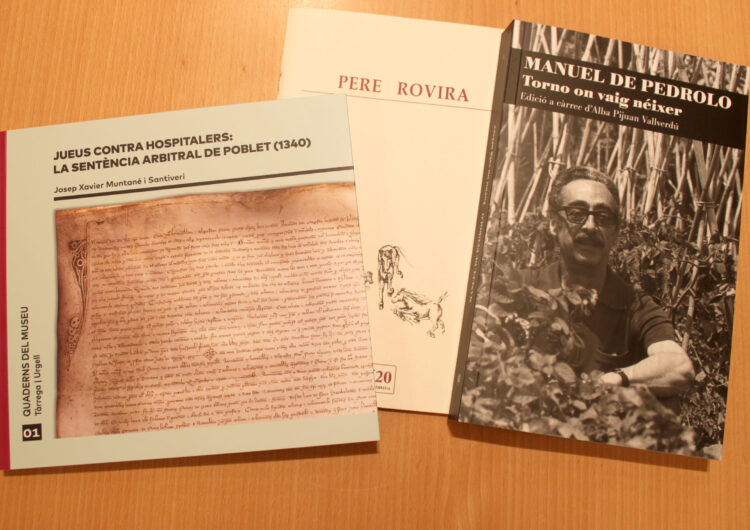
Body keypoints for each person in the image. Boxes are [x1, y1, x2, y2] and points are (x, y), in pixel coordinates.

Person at [518, 166, 694, 396]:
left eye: (603, 217)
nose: (591, 226)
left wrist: (614, 380)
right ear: (554, 223)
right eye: (577, 213)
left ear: (615, 232)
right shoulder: (522, 288)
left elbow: (679, 367)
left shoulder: (634, 305)